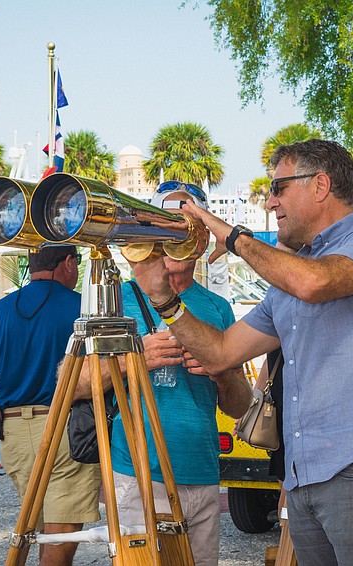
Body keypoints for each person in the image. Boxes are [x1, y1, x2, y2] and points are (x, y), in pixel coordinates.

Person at [132, 139, 353, 565]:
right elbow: (220, 353)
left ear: (320, 185)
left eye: (279, 188)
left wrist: (233, 237)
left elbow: (314, 283)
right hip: (305, 474)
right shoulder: (290, 277)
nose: (270, 202)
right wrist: (163, 301)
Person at [112, 181, 252, 566]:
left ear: (202, 239)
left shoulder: (217, 308)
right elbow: (73, 384)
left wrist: (221, 372)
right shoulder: (117, 299)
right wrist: (136, 356)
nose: (175, 234)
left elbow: (240, 405)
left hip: (202, 473)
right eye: (167, 224)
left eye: (186, 225)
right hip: (140, 474)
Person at [0, 244, 101, 566]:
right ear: (68, 263)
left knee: (40, 533)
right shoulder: (83, 310)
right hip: (65, 429)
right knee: (60, 538)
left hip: (14, 435)